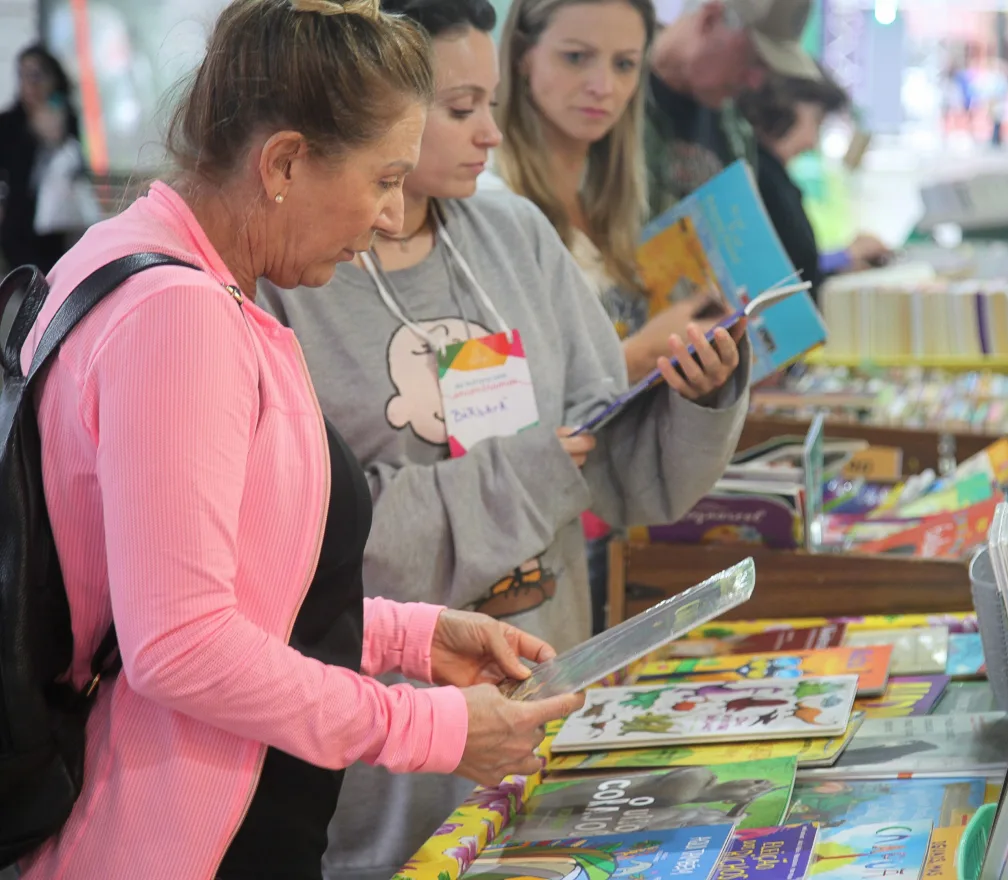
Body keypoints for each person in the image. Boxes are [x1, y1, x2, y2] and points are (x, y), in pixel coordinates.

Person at [16, 1, 583, 877]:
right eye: (383, 180)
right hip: (165, 837)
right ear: (283, 163)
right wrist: (424, 728)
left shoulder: (140, 263)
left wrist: (406, 637)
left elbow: (212, 588)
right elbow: (181, 646)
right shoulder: (177, 313)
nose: (392, 219)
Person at [258, 1, 751, 877]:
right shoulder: (295, 275)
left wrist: (694, 397)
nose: (490, 133)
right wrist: (524, 472)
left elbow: (609, 457)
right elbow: (308, 543)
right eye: (458, 109)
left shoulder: (514, 231)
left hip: (542, 696)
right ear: (382, 113)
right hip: (384, 749)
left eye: (490, 102)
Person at [494, 0, 738, 634]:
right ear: (523, 56)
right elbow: (493, 405)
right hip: (522, 554)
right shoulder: (488, 206)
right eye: (576, 58)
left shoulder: (621, 201)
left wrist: (699, 364)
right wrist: (636, 355)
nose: (604, 86)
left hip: (614, 516)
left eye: (626, 64)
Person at [643, 0, 818, 217]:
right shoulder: (613, 96)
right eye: (753, 60)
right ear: (710, 20)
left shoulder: (735, 134)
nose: (755, 82)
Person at [737, 67, 891, 298]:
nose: (812, 142)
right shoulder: (762, 177)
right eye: (816, 121)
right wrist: (845, 256)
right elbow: (792, 268)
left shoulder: (765, 174)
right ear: (786, 106)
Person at [0, 44, 81, 272]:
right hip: (18, 217)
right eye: (23, 75)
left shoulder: (64, 115)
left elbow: (70, 154)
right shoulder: (10, 121)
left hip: (54, 220)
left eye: (35, 75)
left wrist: (51, 108)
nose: (29, 83)